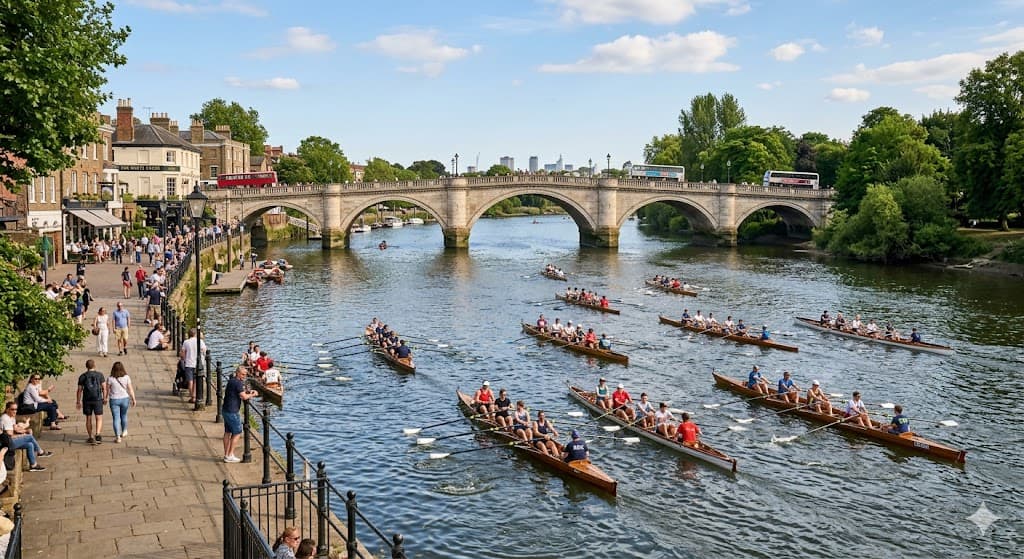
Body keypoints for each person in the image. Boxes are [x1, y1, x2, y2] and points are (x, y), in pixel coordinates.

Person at [223, 366, 259, 462]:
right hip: (232, 411)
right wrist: (252, 394)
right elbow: (243, 397)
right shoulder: (238, 383)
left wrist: (247, 392)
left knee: (227, 432)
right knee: (238, 432)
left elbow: (239, 392)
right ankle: (230, 455)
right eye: (243, 374)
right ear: (238, 373)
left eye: (245, 374)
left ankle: (226, 454)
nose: (244, 376)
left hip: (225, 409)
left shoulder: (231, 381)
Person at [1, 402, 49, 471]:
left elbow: (16, 429)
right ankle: (40, 452)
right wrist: (23, 435)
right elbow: (10, 436)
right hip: (7, 444)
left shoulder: (11, 416)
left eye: (16, 409)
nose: (15, 411)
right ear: (7, 409)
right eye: (12, 409)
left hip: (11, 442)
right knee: (29, 437)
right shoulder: (5, 419)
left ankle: (33, 465)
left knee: (30, 445)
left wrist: (25, 430)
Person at [77, 359, 108, 445]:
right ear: (94, 365)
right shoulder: (100, 375)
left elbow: (79, 390)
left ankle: (90, 437)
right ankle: (98, 435)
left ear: (86, 366)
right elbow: (104, 388)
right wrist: (105, 398)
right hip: (97, 399)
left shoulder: (82, 376)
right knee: (99, 417)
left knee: (88, 418)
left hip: (87, 400)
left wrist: (78, 401)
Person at [106, 361, 136, 443]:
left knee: (116, 418)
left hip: (114, 400)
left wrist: (105, 398)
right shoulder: (126, 377)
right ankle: (124, 431)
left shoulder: (110, 379)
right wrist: (133, 399)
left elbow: (107, 390)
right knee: (124, 415)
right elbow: (130, 389)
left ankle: (118, 437)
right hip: (124, 399)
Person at [180, 328, 208, 404]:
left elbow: (182, 354)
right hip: (198, 364)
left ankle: (192, 397)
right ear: (196, 334)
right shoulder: (200, 342)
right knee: (196, 380)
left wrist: (184, 359)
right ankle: (195, 396)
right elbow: (205, 351)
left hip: (189, 363)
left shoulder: (186, 342)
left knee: (190, 381)